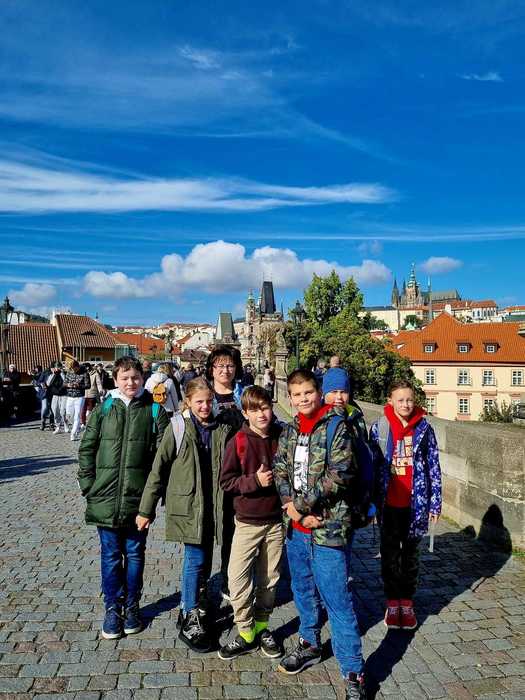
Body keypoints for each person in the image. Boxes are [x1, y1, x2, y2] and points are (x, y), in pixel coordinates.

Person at [272, 369, 366, 700]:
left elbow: (340, 475)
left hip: (328, 529)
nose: (303, 399)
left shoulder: (337, 426)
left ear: (319, 392)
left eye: (308, 392)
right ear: (290, 398)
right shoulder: (289, 429)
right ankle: (309, 642)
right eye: (297, 395)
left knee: (337, 600)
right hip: (296, 529)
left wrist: (303, 506)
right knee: (303, 590)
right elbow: (279, 469)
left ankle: (353, 671)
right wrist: (292, 508)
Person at [78, 356, 169, 640]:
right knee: (110, 556)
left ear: (143, 379)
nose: (131, 382)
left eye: (135, 377)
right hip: (104, 497)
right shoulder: (104, 409)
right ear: (116, 380)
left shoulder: (155, 411)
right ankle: (112, 608)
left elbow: (163, 460)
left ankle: (131, 606)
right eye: (125, 378)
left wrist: (151, 501)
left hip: (138, 500)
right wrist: (88, 486)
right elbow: (87, 448)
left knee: (134, 553)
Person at [137, 377, 230, 653]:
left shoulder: (221, 427)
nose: (205, 406)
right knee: (195, 559)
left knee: (205, 558)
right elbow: (158, 469)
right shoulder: (177, 427)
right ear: (188, 401)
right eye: (199, 402)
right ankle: (189, 612)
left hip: (213, 505)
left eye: (209, 401)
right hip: (189, 505)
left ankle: (195, 606)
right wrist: (146, 509)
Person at [369, 379, 442, 631]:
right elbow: (372, 467)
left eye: (410, 399)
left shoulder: (424, 428)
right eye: (400, 400)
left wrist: (435, 503)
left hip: (416, 504)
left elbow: (434, 466)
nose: (406, 404)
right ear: (390, 401)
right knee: (390, 555)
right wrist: (370, 502)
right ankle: (392, 602)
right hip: (388, 504)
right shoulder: (379, 428)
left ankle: (407, 602)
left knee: (410, 555)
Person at [218, 385, 283, 660]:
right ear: (245, 413)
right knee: (237, 578)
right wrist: (255, 481)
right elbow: (226, 482)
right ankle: (245, 631)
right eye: (254, 410)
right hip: (246, 522)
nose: (261, 414)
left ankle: (261, 627)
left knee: (269, 580)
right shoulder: (239, 441)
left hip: (275, 521)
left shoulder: (282, 436)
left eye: (265, 408)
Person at [205, 344, 245, 599]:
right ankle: (201, 584)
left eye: (229, 365)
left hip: (238, 471)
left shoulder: (245, 394)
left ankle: (229, 578)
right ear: (211, 369)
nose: (225, 370)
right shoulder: (203, 394)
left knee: (233, 529)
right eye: (219, 365)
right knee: (205, 530)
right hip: (209, 469)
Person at [64, 360, 89, 441]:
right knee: (69, 415)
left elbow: (88, 385)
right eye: (72, 369)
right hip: (70, 396)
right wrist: (68, 385)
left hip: (79, 397)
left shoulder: (85, 373)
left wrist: (79, 385)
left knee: (77, 415)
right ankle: (77, 427)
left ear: (78, 367)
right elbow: (64, 383)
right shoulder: (69, 373)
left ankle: (73, 433)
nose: (73, 370)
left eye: (75, 369)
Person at [80, 363, 104, 427]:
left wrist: (100, 391)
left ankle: (90, 422)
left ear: (89, 367)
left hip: (92, 394)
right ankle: (83, 422)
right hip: (83, 394)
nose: (86, 369)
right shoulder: (82, 374)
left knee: (90, 410)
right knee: (83, 409)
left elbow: (98, 383)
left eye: (86, 367)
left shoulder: (95, 374)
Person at [32, 364, 55, 431]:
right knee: (44, 407)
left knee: (52, 409)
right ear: (51, 368)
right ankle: (43, 422)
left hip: (53, 393)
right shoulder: (45, 373)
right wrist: (41, 384)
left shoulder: (58, 374)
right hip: (44, 393)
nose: (54, 369)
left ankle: (51, 424)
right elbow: (38, 382)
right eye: (53, 368)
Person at [48, 362, 68, 433]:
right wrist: (54, 374)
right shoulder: (51, 375)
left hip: (64, 395)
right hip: (55, 395)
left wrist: (62, 373)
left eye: (59, 367)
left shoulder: (64, 374)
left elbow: (65, 382)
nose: (57, 369)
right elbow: (48, 383)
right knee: (55, 410)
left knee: (63, 411)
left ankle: (65, 424)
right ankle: (58, 426)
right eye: (56, 367)